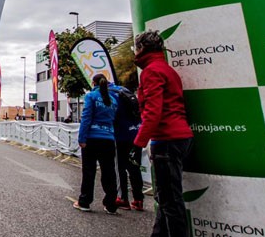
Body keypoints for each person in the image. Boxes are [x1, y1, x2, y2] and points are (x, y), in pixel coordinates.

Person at [129, 30, 193, 236]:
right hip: (178, 137)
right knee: (164, 198)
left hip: (166, 139)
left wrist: (138, 143)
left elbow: (153, 111)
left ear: (142, 48)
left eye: (136, 48)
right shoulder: (166, 69)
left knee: (171, 202)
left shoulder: (151, 71)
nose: (135, 52)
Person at [73, 73, 119, 215]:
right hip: (108, 139)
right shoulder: (113, 100)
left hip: (92, 139)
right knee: (109, 172)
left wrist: (82, 138)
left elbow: (86, 117)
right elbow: (114, 120)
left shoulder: (91, 96)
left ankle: (85, 202)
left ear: (93, 83)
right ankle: (111, 205)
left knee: (89, 171)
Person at [114, 78, 145, 211]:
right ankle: (138, 199)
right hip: (135, 133)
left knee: (120, 167)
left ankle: (123, 199)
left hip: (121, 136)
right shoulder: (126, 93)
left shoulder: (112, 95)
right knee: (134, 167)